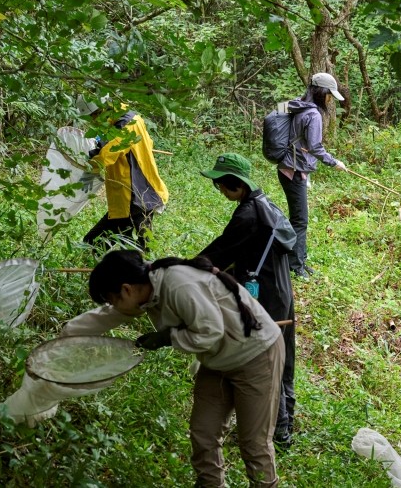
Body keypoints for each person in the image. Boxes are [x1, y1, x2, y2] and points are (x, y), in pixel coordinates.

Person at [88, 250, 285, 488]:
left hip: (255, 354)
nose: (114, 307)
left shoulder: (179, 286)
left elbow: (210, 332)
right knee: (203, 432)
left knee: (254, 442)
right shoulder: (147, 288)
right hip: (218, 360)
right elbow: (107, 315)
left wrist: (167, 338)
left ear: (127, 289)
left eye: (113, 300)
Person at [198, 153, 297, 449]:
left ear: (236, 186)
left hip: (264, 296)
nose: (220, 191)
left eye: (221, 186)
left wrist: (182, 266)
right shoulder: (266, 205)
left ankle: (279, 430)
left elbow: (219, 252)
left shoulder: (247, 214)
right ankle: (285, 421)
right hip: (281, 291)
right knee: (284, 357)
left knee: (266, 359)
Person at [277, 72, 348, 280]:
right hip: (294, 170)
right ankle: (295, 265)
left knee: (298, 219)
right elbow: (316, 146)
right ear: (321, 92)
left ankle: (300, 259)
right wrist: (334, 162)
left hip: (288, 167)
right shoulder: (314, 114)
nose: (330, 100)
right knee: (300, 221)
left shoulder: (298, 105)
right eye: (329, 95)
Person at [77, 96, 169, 250]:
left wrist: (88, 169)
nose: (93, 122)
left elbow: (106, 154)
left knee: (139, 249)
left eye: (92, 117)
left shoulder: (125, 124)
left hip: (138, 196)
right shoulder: (128, 118)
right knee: (92, 244)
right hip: (127, 198)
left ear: (101, 110)